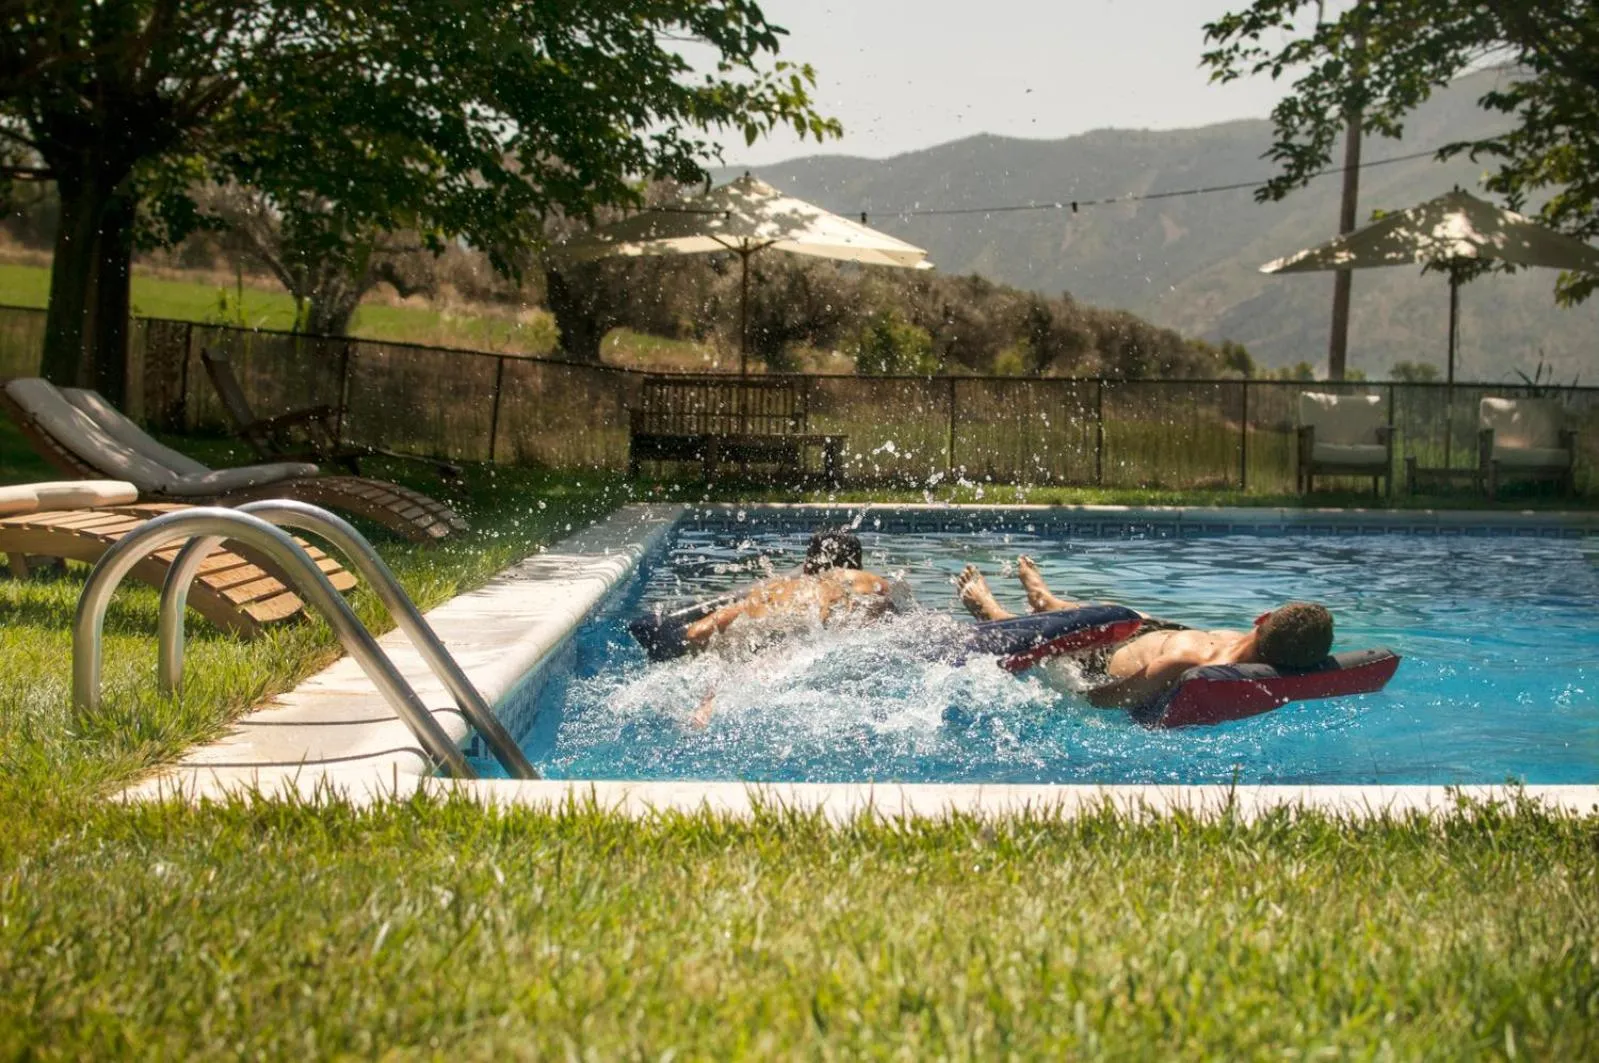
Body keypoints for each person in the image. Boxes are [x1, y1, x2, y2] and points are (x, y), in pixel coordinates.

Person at [955, 555, 1334, 709]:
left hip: (1105, 657)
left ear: (1262, 618)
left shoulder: (1189, 662)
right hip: (1158, 631)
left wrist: (1066, 695)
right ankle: (1047, 602)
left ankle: (993, 612)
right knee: (1129, 613)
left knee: (1070, 632)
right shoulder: (1247, 644)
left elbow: (1109, 700)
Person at [651, 528, 905, 728]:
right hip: (811, 652)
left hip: (767, 647)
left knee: (733, 681)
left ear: (807, 565)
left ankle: (705, 710)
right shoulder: (864, 581)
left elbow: (698, 632)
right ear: (857, 565)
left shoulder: (774, 591)